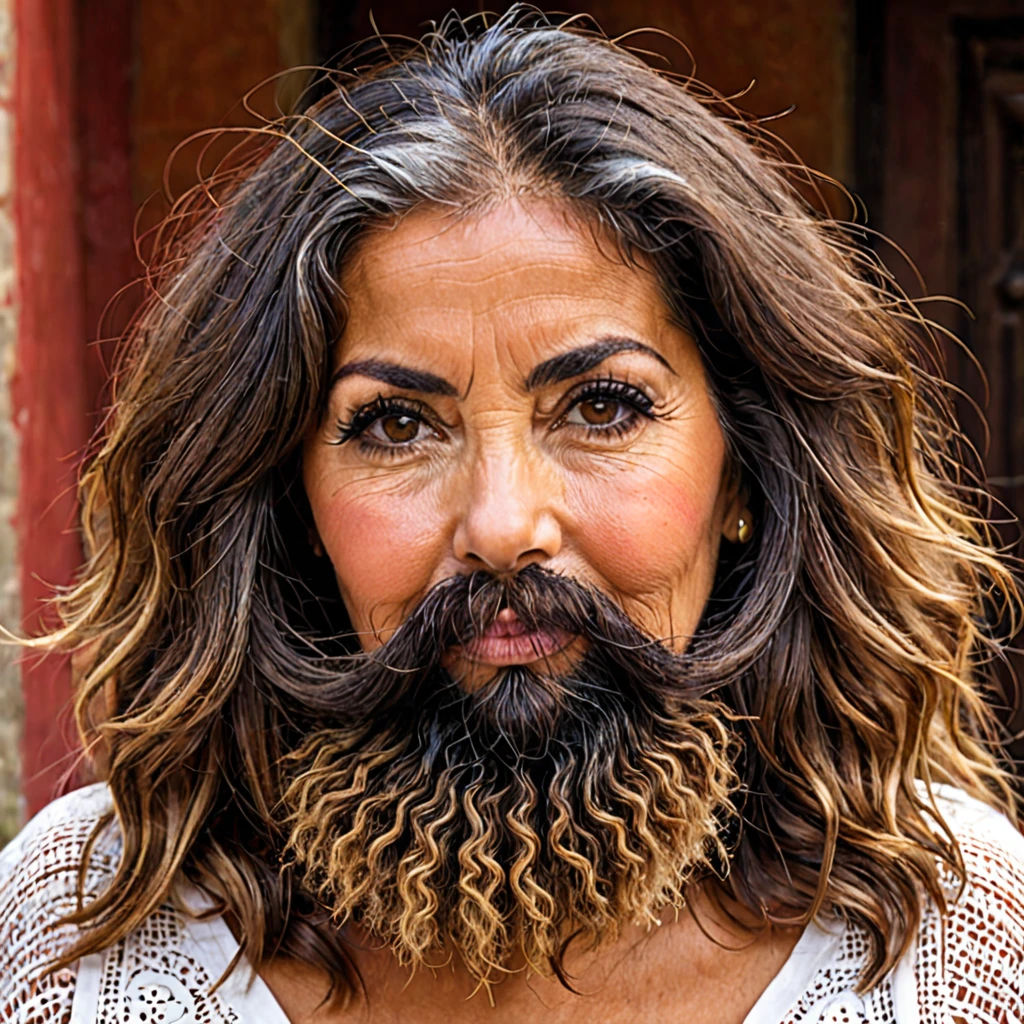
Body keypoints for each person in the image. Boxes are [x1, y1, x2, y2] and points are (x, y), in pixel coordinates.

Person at [2, 8, 1022, 1023]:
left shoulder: (956, 943)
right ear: (290, 495)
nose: (500, 523)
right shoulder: (82, 936)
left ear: (745, 477)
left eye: (601, 407)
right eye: (395, 424)